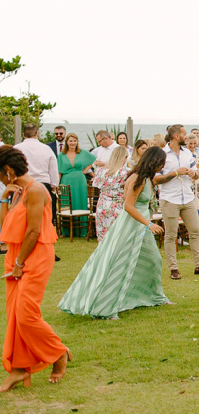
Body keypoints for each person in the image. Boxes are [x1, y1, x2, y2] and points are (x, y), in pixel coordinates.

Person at [58, 147, 171, 320]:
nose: (162, 166)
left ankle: (153, 296)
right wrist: (149, 224)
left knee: (153, 260)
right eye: (161, 163)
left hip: (141, 225)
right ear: (154, 162)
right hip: (131, 225)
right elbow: (128, 206)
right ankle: (105, 307)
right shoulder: (137, 179)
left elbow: (161, 180)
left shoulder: (147, 178)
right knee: (120, 263)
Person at [0, 146, 69, 391]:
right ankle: (19, 370)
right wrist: (4, 198)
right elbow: (5, 227)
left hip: (35, 255)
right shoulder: (16, 192)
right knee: (15, 317)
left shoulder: (37, 190)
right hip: (15, 253)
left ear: (8, 171)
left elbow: (33, 230)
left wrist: (20, 264)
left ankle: (58, 353)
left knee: (27, 315)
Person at [155, 125, 199, 279]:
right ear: (176, 136)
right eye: (184, 134)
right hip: (170, 199)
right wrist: (175, 173)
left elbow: (196, 175)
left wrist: (193, 173)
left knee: (195, 231)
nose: (187, 136)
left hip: (188, 198)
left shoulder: (188, 153)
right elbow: (156, 179)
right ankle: (173, 269)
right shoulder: (162, 155)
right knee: (171, 235)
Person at [15, 124, 59, 223]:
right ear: (37, 134)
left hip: (23, 185)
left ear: (23, 134)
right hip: (43, 185)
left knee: (23, 215)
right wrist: (54, 185)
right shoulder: (46, 149)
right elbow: (53, 169)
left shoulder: (16, 148)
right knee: (44, 216)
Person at [58, 133, 95, 236]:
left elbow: (93, 159)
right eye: (70, 141)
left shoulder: (82, 153)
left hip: (80, 181)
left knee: (80, 202)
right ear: (67, 142)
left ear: (77, 142)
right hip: (66, 180)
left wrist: (85, 170)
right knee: (67, 203)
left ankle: (81, 230)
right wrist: (58, 184)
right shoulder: (61, 155)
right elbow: (59, 171)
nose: (72, 143)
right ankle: (67, 231)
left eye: (74, 141)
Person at [92, 145, 130, 243]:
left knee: (103, 237)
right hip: (118, 206)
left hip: (102, 206)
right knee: (117, 238)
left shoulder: (101, 172)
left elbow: (97, 187)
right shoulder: (126, 173)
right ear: (125, 158)